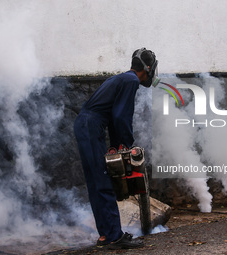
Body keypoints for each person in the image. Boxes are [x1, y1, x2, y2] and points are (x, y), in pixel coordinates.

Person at [73, 48, 159, 249]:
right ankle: (113, 236)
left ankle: (106, 235)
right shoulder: (131, 81)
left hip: (86, 124)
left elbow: (114, 115)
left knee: (96, 182)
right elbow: (121, 117)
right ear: (147, 68)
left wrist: (116, 146)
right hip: (91, 125)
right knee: (102, 181)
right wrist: (125, 146)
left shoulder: (122, 78)